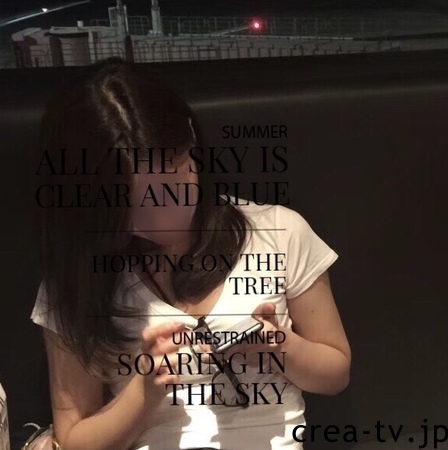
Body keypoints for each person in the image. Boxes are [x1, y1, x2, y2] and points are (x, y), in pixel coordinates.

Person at [31, 57, 351, 450]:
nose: (164, 219)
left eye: (174, 185)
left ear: (192, 142)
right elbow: (74, 438)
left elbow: (336, 372)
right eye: (132, 208)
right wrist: (145, 389)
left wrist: (281, 347)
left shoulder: (279, 231)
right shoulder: (78, 279)